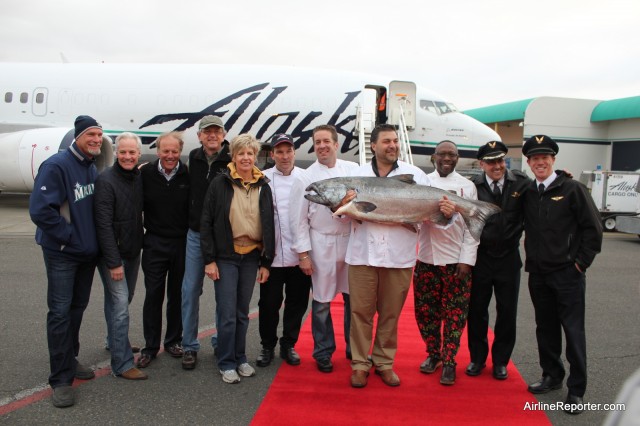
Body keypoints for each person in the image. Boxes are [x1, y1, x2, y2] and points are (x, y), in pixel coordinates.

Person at [522, 135, 602, 415]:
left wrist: (581, 263)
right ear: (529, 163)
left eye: (545, 157)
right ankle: (552, 376)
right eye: (534, 158)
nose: (540, 162)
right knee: (545, 329)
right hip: (538, 274)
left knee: (573, 331)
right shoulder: (528, 192)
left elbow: (594, 229)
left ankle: (577, 390)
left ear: (553, 159)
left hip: (568, 274)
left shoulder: (572, 189)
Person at [346, 124, 431, 388]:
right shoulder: (356, 176)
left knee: (390, 314)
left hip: (399, 256)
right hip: (362, 256)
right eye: (386, 141)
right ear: (373, 145)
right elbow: (336, 213)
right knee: (360, 312)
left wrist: (447, 212)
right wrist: (344, 205)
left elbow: (432, 215)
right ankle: (360, 364)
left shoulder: (415, 175)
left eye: (395, 140)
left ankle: (384, 363)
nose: (393, 145)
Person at [29, 115, 103, 407]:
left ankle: (70, 359)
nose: (96, 140)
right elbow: (40, 210)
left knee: (76, 309)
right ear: (77, 137)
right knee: (59, 313)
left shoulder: (90, 166)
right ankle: (60, 379)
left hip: (85, 254)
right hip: (63, 253)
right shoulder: (57, 165)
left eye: (99, 135)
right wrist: (69, 237)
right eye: (90, 135)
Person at [200, 133, 275, 384]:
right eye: (241, 153)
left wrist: (266, 262)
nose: (245, 157)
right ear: (233, 156)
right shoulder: (220, 184)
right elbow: (207, 222)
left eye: (250, 153)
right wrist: (209, 260)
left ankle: (240, 357)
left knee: (242, 312)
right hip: (226, 256)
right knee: (227, 313)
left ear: (256, 156)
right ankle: (226, 362)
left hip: (251, 256)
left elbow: (269, 224)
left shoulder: (263, 185)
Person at [289, 124, 358, 374]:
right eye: (317, 142)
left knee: (354, 299)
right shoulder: (305, 177)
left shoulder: (352, 170)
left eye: (326, 141)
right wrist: (303, 255)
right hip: (321, 243)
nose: (322, 146)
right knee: (321, 302)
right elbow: (298, 220)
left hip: (349, 240)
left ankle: (355, 348)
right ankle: (323, 351)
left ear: (336, 144)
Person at [414, 140, 479, 386]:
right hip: (427, 258)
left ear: (457, 158)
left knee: (455, 314)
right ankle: (433, 354)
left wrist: (467, 260)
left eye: (451, 154)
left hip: (456, 262)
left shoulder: (467, 186)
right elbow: (416, 221)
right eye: (442, 154)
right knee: (425, 313)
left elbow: (473, 229)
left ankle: (450, 360)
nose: (447, 158)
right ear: (434, 157)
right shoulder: (423, 182)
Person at [466, 141, 529, 381]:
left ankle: (501, 361)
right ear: (482, 164)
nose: (497, 166)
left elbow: (545, 191)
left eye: (500, 160)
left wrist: (562, 178)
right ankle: (477, 358)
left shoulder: (521, 184)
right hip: (481, 258)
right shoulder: (474, 187)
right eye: (491, 162)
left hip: (508, 259)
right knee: (477, 311)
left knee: (507, 312)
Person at [94, 132, 147, 380]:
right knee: (119, 307)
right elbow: (103, 224)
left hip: (133, 251)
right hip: (113, 256)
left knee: (123, 301)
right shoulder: (106, 180)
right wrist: (113, 262)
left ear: (138, 153)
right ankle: (123, 364)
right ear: (116, 153)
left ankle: (113, 340)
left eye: (132, 152)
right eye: (123, 152)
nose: (127, 156)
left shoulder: (138, 177)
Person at [257, 134, 312, 367]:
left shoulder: (305, 178)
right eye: (279, 152)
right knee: (268, 304)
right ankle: (267, 345)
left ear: (294, 152)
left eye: (288, 151)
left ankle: (288, 344)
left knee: (296, 303)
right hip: (272, 255)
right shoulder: (263, 179)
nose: (284, 156)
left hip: (299, 254)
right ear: (272, 155)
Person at [181, 115, 231, 370]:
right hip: (195, 235)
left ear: (223, 135)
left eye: (216, 131)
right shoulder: (194, 158)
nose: (212, 135)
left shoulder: (232, 159)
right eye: (207, 132)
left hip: (222, 238)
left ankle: (220, 340)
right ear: (199, 136)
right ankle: (189, 345)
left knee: (223, 294)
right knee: (190, 291)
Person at [137, 131, 190, 368]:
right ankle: (150, 346)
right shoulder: (145, 174)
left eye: (174, 151)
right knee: (153, 295)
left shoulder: (188, 175)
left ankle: (173, 341)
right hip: (155, 243)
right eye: (165, 151)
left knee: (177, 295)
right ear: (158, 151)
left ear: (180, 152)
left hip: (181, 243)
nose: (170, 156)